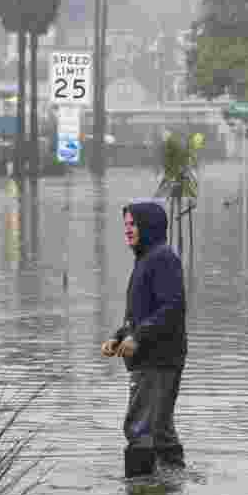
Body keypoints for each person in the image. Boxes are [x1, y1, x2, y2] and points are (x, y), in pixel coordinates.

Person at [101, 199, 187, 478]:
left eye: (133, 224)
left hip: (158, 361)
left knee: (140, 428)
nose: (127, 230)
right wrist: (118, 337)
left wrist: (138, 337)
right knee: (159, 429)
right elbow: (137, 314)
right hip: (151, 360)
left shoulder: (162, 259)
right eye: (125, 224)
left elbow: (172, 309)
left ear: (148, 226)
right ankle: (171, 486)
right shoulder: (145, 260)